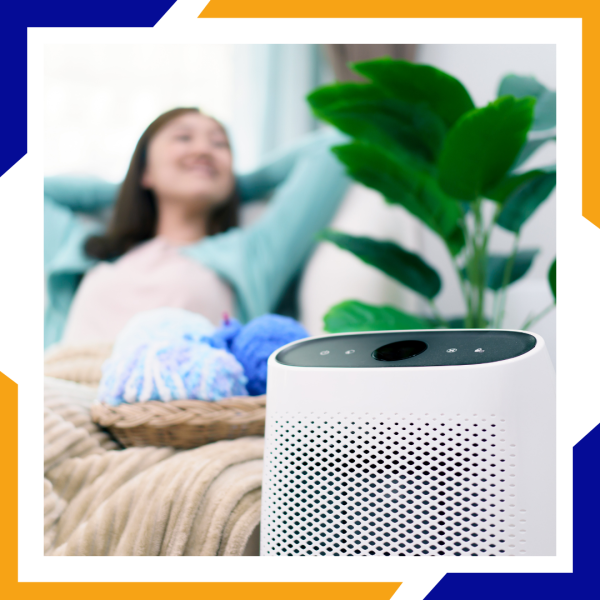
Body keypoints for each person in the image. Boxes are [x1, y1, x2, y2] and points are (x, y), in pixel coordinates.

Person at [43, 107, 353, 351]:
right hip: (62, 398)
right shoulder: (84, 248)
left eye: (219, 145)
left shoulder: (250, 257)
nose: (204, 150)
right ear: (145, 169)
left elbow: (333, 148)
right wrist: (132, 187)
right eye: (184, 138)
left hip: (172, 417)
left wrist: (234, 185)